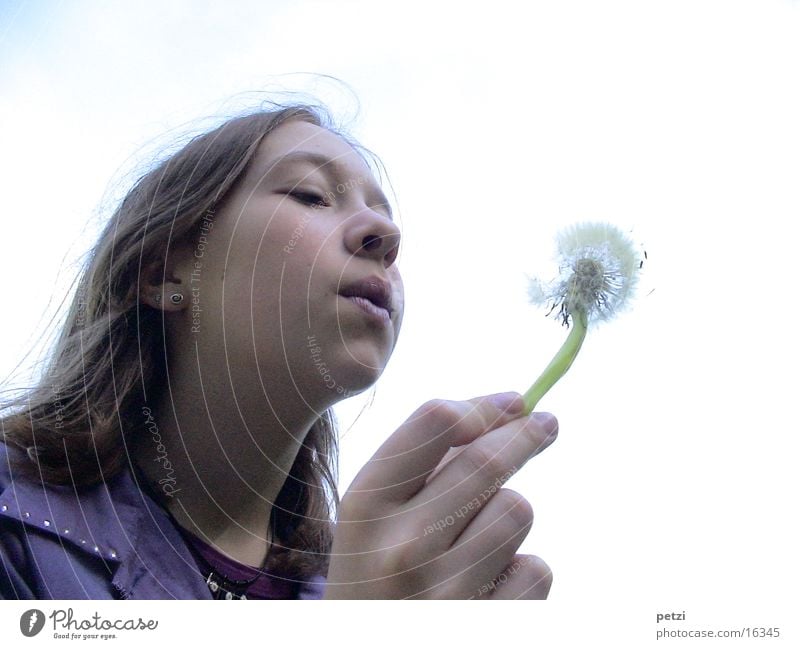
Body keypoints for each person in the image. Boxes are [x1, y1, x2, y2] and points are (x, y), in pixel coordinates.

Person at [0, 102, 558, 600]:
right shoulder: (15, 520)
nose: (385, 233)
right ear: (162, 272)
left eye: (385, 216)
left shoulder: (362, 589)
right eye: (311, 195)